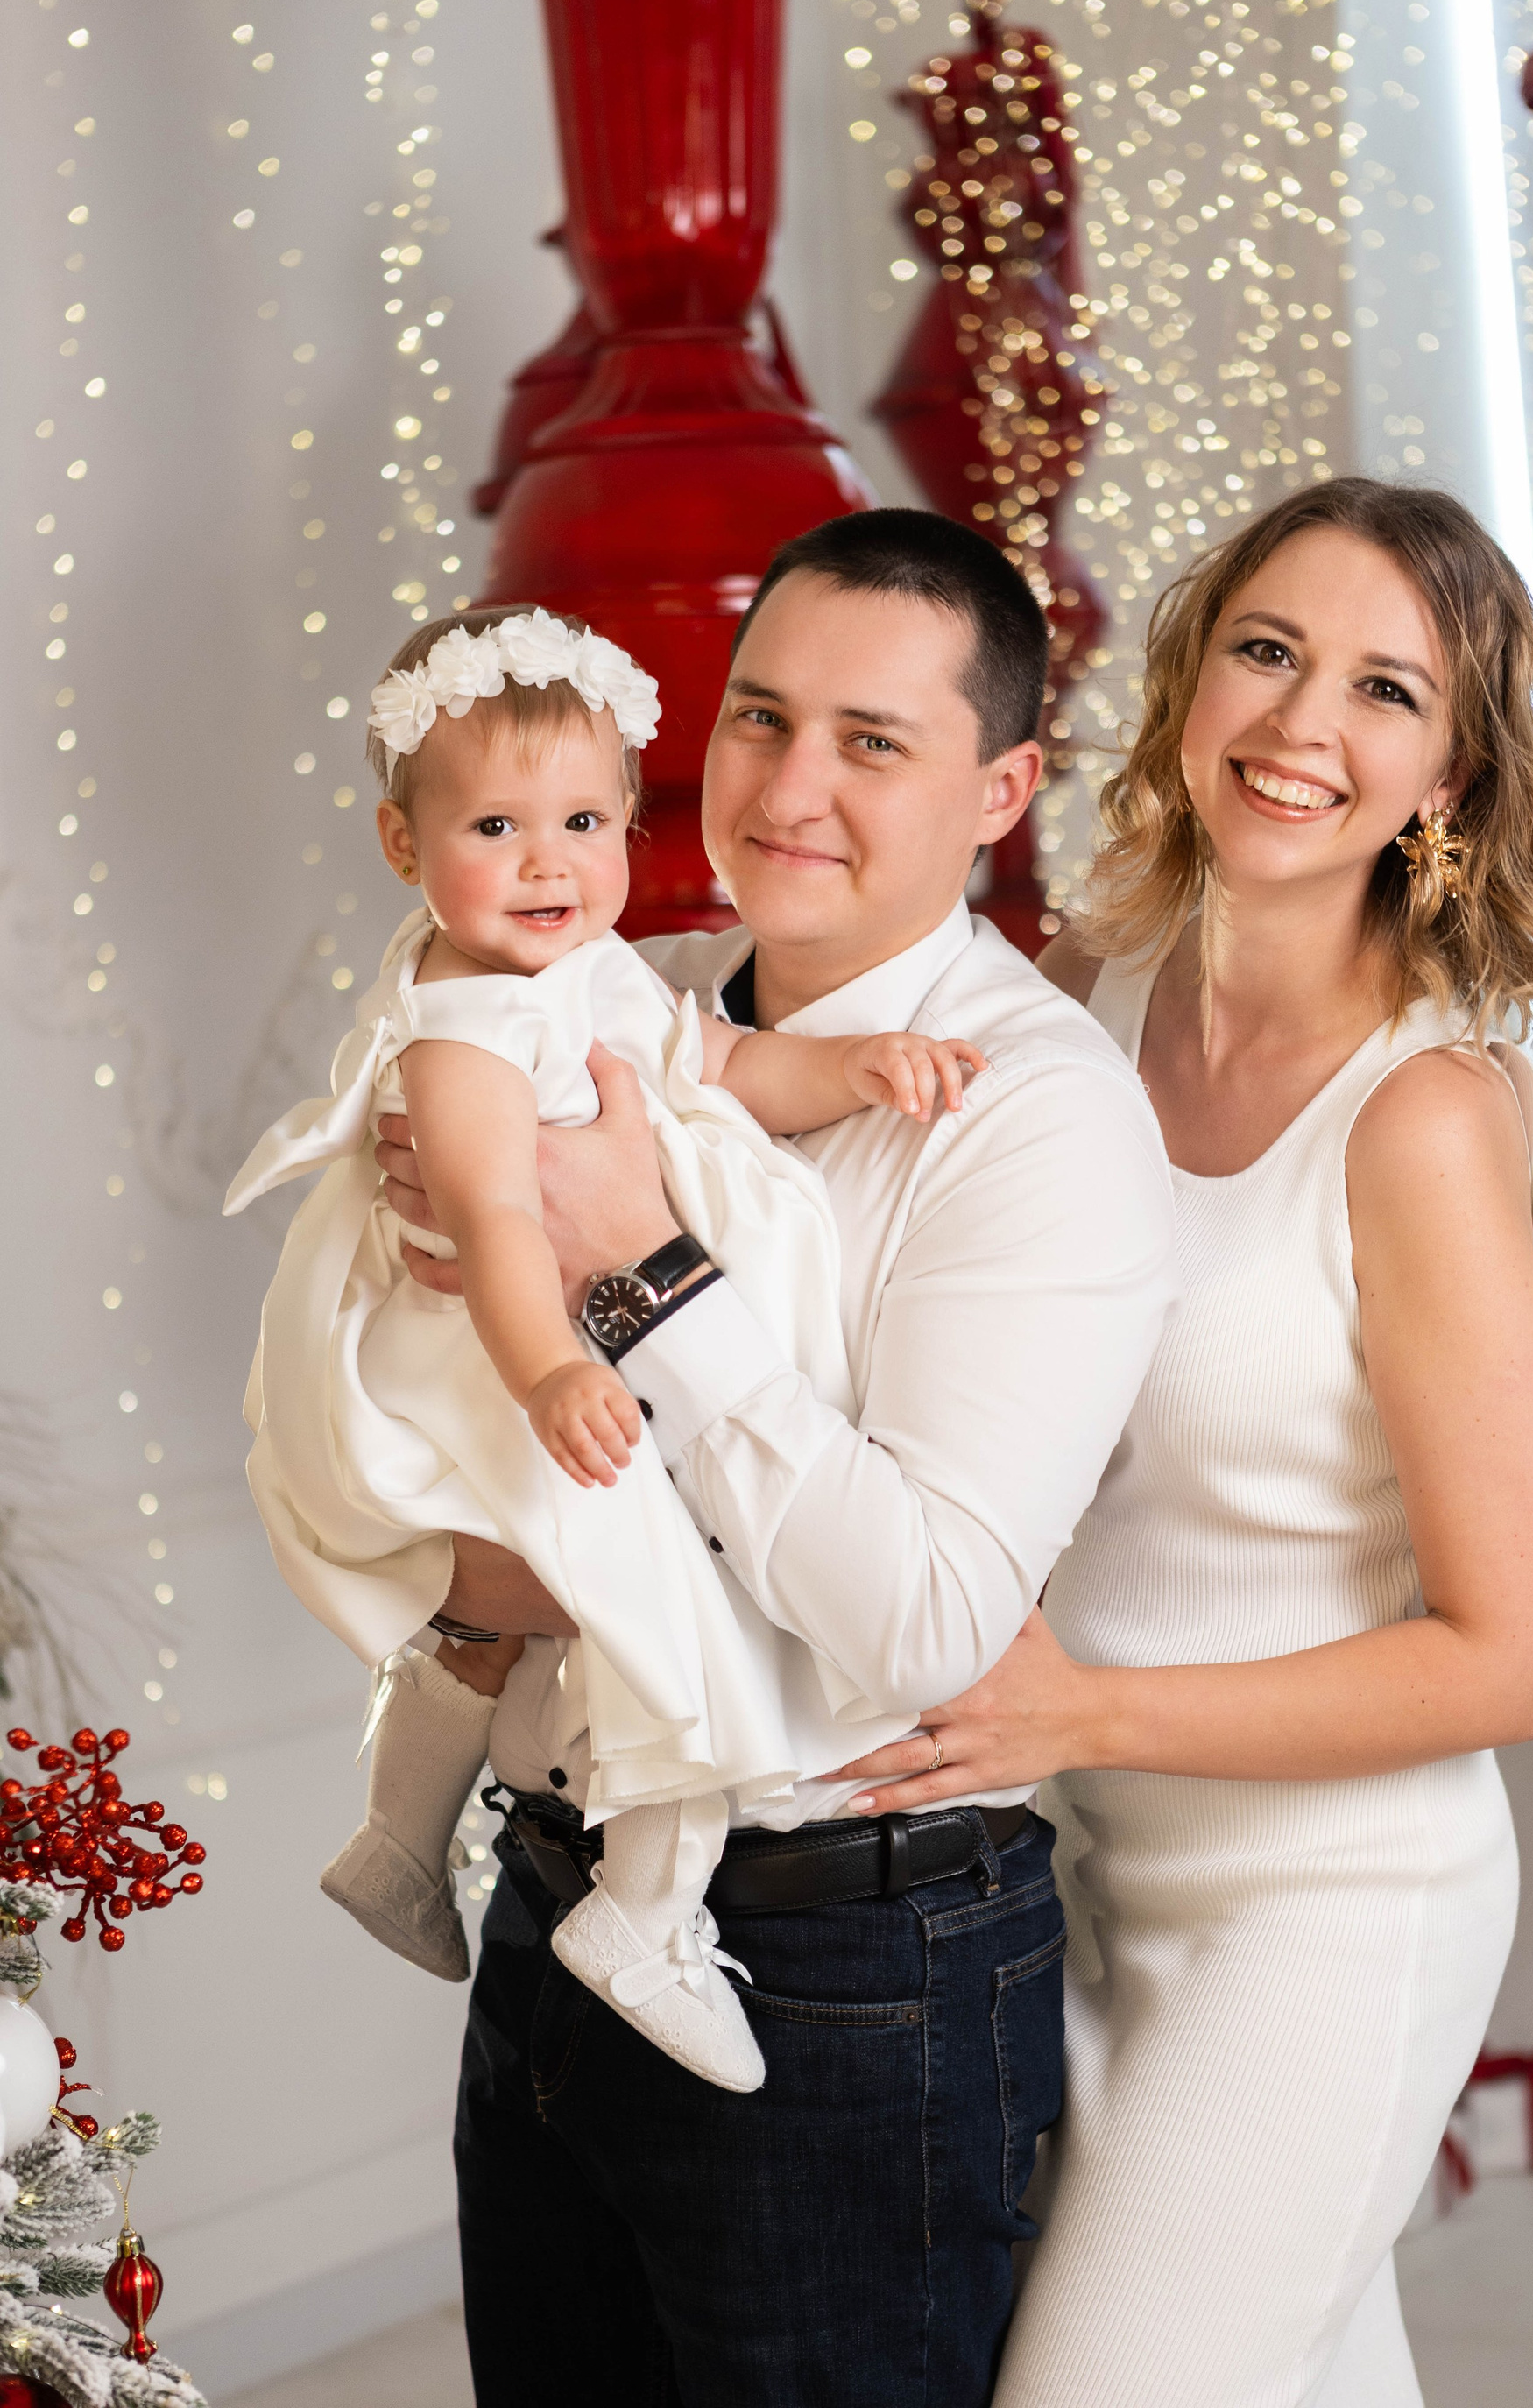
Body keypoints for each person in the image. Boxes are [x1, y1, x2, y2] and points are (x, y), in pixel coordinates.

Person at [375, 510, 1179, 2406]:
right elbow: (450, 1468)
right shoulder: (612, 998)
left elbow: (922, 1623)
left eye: (872, 742)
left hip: (849, 1974)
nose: (789, 787)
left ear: (1001, 792)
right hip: (551, 1902)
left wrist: (638, 1267)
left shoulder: (1036, 1112)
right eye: (760, 716)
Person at [833, 478, 1533, 2407]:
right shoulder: (1075, 1007)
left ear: (1448, 776)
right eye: (1268, 650)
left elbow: (1522, 1656)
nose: (1300, 723)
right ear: (1190, 681)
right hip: (1077, 1866)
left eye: (1384, 691)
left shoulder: (1423, 1118)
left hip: (1327, 1911)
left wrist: (1083, 1712)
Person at [225, 602, 987, 2096]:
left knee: (558, 1613)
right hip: (501, 1349)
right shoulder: (465, 1031)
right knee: (665, 1606)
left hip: (574, 1330)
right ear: (403, 845)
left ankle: (398, 1841)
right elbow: (499, 1220)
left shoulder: (599, 973)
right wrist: (552, 1374)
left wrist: (857, 1067)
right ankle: (646, 1912)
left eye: (582, 822)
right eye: (495, 827)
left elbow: (727, 1063)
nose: (547, 863)